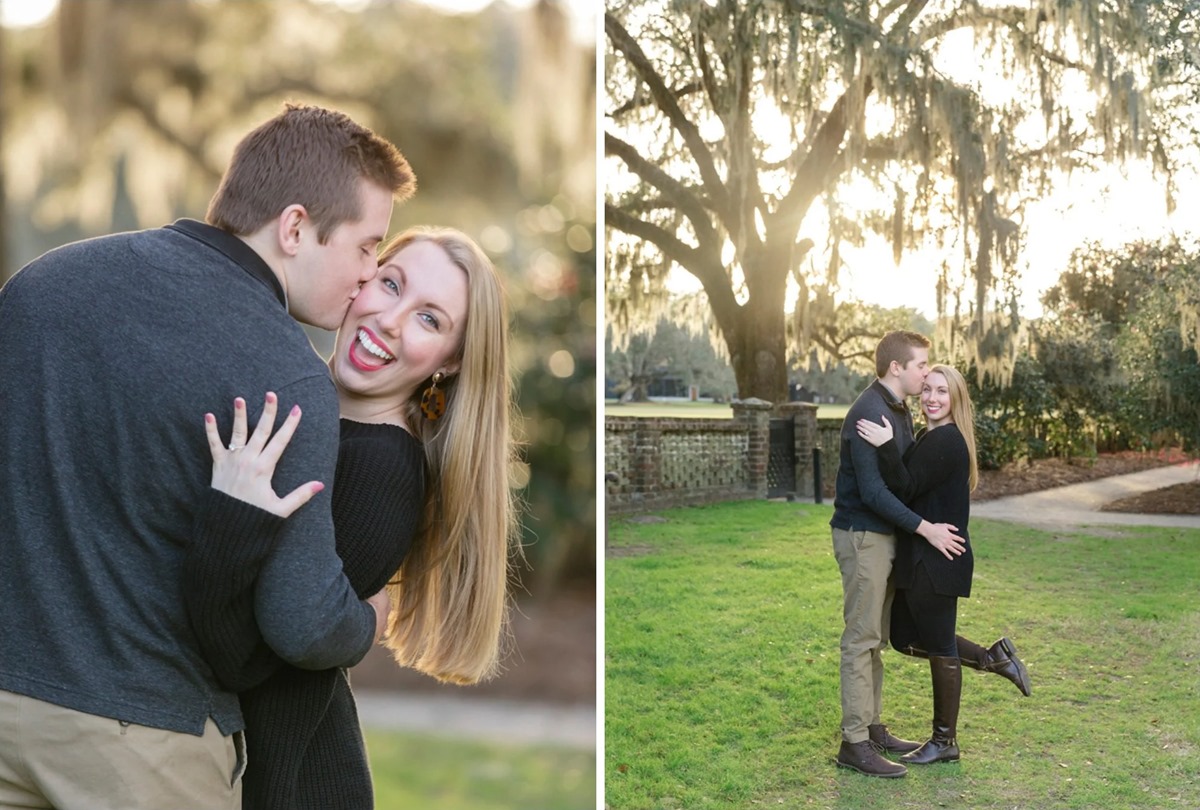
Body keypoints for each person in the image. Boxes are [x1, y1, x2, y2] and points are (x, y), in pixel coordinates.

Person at [0, 104, 414, 809]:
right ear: (294, 228)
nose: (368, 275)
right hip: (145, 747)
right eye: (367, 246)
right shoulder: (285, 378)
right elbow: (303, 622)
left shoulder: (41, 286)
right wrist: (373, 618)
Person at [183, 227, 519, 808]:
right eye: (390, 284)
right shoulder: (303, 410)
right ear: (361, 280)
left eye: (430, 320)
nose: (390, 319)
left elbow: (242, 658)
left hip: (289, 786)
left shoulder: (382, 466)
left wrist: (232, 512)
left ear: (452, 361)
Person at [855, 363, 1031, 766]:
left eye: (942, 392)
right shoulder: (928, 437)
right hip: (921, 557)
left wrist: (884, 444)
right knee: (904, 638)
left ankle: (944, 740)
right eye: (928, 390)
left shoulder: (947, 441)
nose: (932, 398)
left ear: (956, 400)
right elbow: (914, 489)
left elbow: (904, 487)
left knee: (940, 645)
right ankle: (993, 658)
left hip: (937, 560)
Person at [829, 330, 967, 779]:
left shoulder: (897, 410)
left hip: (886, 538)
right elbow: (872, 491)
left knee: (876, 639)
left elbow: (905, 476)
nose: (927, 373)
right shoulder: (869, 411)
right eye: (922, 366)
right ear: (897, 368)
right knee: (861, 640)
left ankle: (871, 728)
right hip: (863, 535)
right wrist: (925, 527)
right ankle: (854, 744)